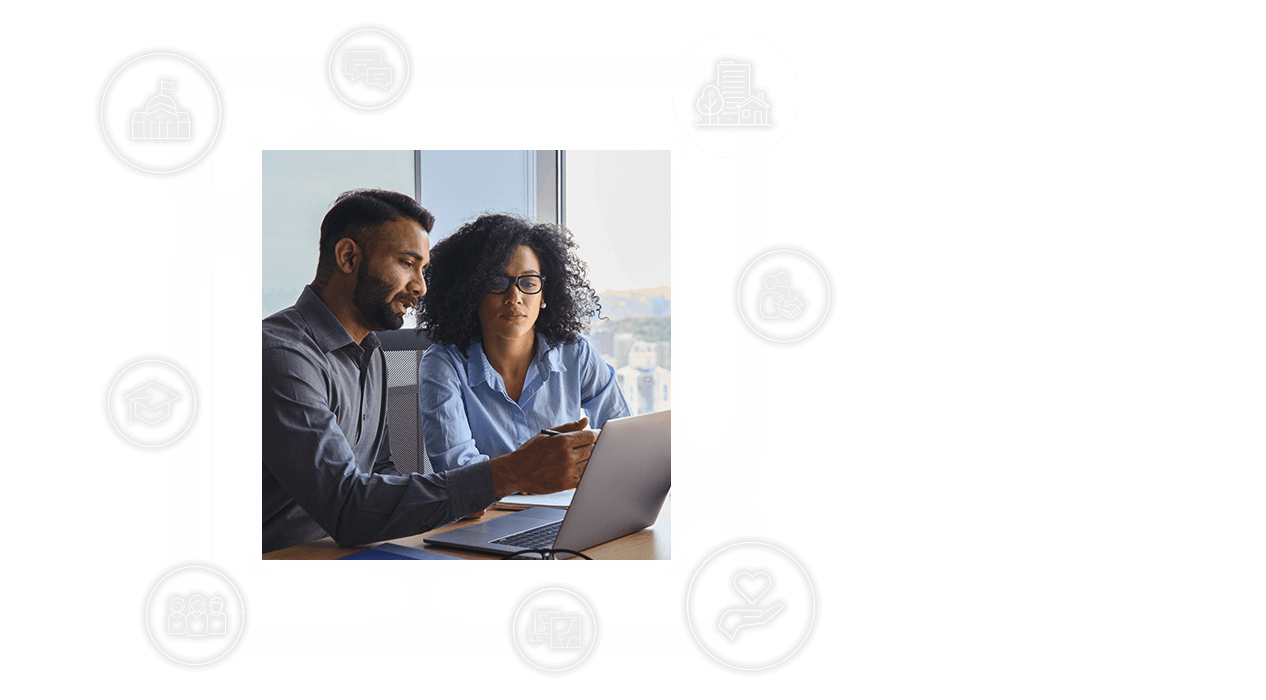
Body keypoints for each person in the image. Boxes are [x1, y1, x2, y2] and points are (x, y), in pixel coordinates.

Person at [262, 190, 597, 553]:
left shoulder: (370, 352)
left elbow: (380, 471)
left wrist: (455, 498)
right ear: (348, 257)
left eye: (422, 270)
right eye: (407, 264)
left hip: (355, 553)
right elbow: (347, 507)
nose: (420, 287)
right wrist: (508, 474)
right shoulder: (282, 356)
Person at [416, 214, 630, 484]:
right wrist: (530, 474)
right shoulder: (443, 364)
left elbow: (623, 440)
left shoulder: (576, 353)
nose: (514, 297)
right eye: (497, 283)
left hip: (566, 507)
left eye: (528, 283)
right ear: (471, 293)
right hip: (489, 519)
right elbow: (458, 475)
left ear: (544, 296)